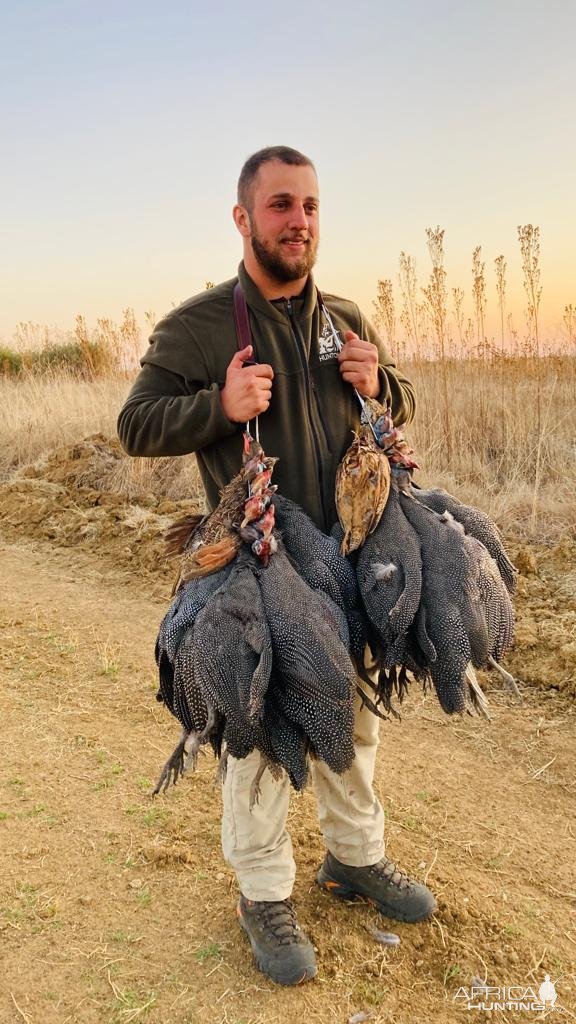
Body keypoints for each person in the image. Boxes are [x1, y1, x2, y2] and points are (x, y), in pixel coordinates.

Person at [117, 145, 436, 987]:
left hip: (348, 558)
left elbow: (397, 403)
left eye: (311, 207)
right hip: (255, 567)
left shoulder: (344, 316)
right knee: (256, 730)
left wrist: (385, 385)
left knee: (354, 719)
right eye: (281, 205)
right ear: (243, 218)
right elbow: (135, 424)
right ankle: (263, 894)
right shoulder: (200, 326)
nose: (299, 222)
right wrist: (216, 408)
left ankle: (354, 858)